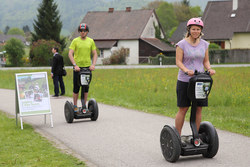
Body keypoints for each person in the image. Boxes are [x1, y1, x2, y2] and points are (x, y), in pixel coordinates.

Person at [175, 18, 216, 138]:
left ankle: (196, 136)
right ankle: (177, 137)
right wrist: (186, 70)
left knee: (198, 108)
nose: (195, 31)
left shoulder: (204, 44)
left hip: (200, 81)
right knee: (183, 108)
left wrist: (209, 69)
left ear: (201, 30)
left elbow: (206, 61)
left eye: (198, 29)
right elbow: (178, 62)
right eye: (193, 29)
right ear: (189, 29)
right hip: (185, 80)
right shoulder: (181, 44)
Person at [68, 23, 97, 113]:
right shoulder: (75, 41)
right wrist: (74, 65)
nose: (82, 32)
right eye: (81, 31)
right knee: (76, 87)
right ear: (79, 32)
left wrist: (93, 64)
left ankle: (84, 106)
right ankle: (75, 106)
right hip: (78, 68)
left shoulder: (91, 41)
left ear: (87, 31)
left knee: (86, 87)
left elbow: (95, 53)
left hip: (87, 68)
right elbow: (70, 53)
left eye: (84, 31)